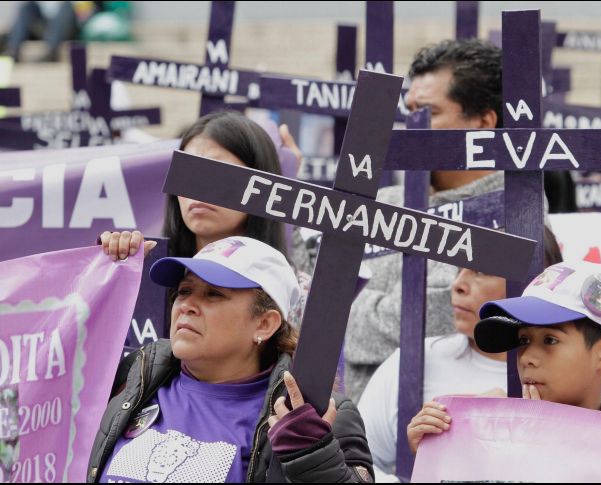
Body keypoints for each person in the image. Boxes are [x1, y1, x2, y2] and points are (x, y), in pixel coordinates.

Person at [291, 38, 556, 402]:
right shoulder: (384, 200)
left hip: (428, 424)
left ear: (483, 122)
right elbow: (300, 298)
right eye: (410, 111)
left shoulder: (515, 217)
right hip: (335, 421)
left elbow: (414, 324)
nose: (411, 127)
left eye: (427, 113)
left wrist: (332, 303)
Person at [87, 236, 374, 483]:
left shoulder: (316, 412)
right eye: (184, 291)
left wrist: (314, 458)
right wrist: (103, 271)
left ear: (264, 324)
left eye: (213, 294)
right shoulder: (134, 376)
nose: (187, 305)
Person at [358, 229, 563, 481]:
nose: (458, 285)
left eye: (481, 271)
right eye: (460, 268)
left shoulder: (568, 376)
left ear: (534, 281)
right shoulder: (414, 360)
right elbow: (356, 461)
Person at [405, 261, 601, 456]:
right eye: (524, 340)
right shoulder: (495, 434)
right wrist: (436, 456)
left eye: (550, 340)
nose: (527, 357)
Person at [101, 110, 310, 325]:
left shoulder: (298, 295)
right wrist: (112, 269)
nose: (198, 189)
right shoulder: (147, 268)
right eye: (188, 173)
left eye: (217, 173)